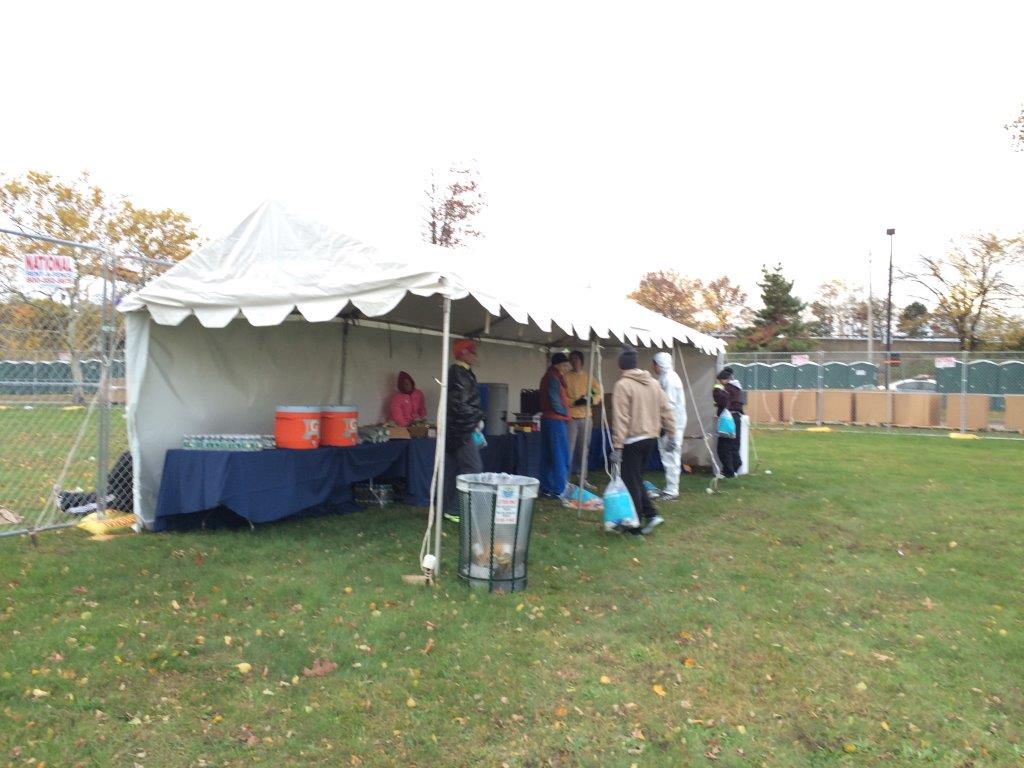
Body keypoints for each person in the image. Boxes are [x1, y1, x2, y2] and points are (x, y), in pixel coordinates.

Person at [609, 345, 676, 535]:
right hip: (651, 439)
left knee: (631, 483)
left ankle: (634, 526)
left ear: (621, 364)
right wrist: (672, 433)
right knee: (636, 480)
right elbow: (667, 410)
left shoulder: (623, 385)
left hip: (633, 441)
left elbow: (621, 418)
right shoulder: (653, 383)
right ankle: (652, 514)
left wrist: (617, 446)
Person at [443, 339, 485, 522]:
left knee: (454, 471)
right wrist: (476, 419)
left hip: (457, 429)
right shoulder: (460, 374)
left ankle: (447, 509)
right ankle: (455, 509)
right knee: (473, 469)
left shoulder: (462, 373)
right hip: (462, 430)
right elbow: (460, 405)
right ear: (463, 353)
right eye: (472, 351)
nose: (476, 355)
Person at [564, 350, 602, 489]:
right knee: (569, 449)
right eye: (571, 360)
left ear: (581, 361)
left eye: (576, 359)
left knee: (583, 450)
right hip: (571, 418)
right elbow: (562, 397)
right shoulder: (566, 377)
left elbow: (597, 391)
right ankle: (565, 480)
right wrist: (574, 402)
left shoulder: (588, 377)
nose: (574, 362)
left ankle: (582, 479)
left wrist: (589, 399)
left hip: (586, 417)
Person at [652, 352, 686, 500]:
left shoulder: (670, 379)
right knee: (668, 456)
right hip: (671, 424)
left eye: (654, 364)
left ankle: (672, 490)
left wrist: (666, 428)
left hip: (672, 425)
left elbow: (669, 406)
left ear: (659, 364)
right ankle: (669, 488)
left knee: (671, 457)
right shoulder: (667, 377)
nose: (653, 367)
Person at [539, 351, 572, 497]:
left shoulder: (548, 377)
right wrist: (566, 412)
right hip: (555, 420)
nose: (567, 367)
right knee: (560, 455)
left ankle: (546, 487)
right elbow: (555, 402)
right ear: (558, 365)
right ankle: (560, 489)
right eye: (565, 364)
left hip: (547, 420)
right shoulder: (553, 378)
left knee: (548, 456)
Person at [713, 366, 744, 478]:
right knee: (734, 445)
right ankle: (735, 466)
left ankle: (728, 471)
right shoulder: (738, 388)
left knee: (723, 447)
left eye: (720, 381)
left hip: (728, 420)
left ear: (724, 379)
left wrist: (717, 389)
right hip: (737, 418)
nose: (719, 383)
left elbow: (722, 401)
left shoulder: (726, 388)